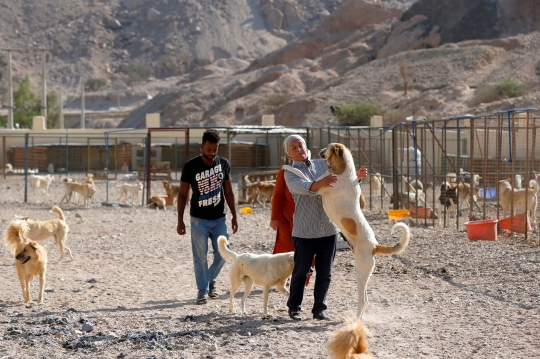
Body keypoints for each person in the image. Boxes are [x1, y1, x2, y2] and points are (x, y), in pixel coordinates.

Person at [283, 135, 367, 321]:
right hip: (305, 231)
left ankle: (319, 309)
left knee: (325, 273)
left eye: (301, 145)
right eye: (294, 148)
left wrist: (357, 179)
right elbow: (303, 188)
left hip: (329, 229)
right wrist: (319, 184)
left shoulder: (323, 164)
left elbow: (342, 183)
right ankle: (294, 308)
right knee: (301, 271)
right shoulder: (290, 173)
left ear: (306, 146)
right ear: (288, 153)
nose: (299, 149)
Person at [177, 129, 239, 305]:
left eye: (215, 150)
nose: (212, 153)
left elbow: (228, 190)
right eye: (209, 149)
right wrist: (180, 220)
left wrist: (235, 216)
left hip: (220, 218)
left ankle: (209, 280)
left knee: (224, 253)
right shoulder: (191, 166)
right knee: (200, 256)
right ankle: (203, 290)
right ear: (202, 146)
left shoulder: (223, 163)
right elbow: (182, 194)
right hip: (198, 220)